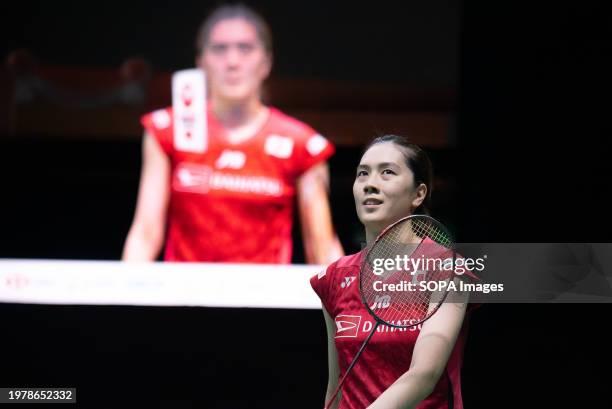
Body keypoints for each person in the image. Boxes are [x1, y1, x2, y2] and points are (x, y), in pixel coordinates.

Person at [122, 4, 343, 264]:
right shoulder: (168, 130)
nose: (232, 62)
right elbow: (145, 233)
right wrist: (125, 299)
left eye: (245, 48)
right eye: (219, 49)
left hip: (265, 300)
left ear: (266, 62)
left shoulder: (301, 144)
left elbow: (322, 248)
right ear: (200, 62)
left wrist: (346, 302)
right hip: (182, 298)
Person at [311, 135, 471, 408]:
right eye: (363, 174)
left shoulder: (447, 269)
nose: (370, 184)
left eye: (387, 172)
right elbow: (336, 386)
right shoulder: (335, 278)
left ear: (418, 194)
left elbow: (424, 374)